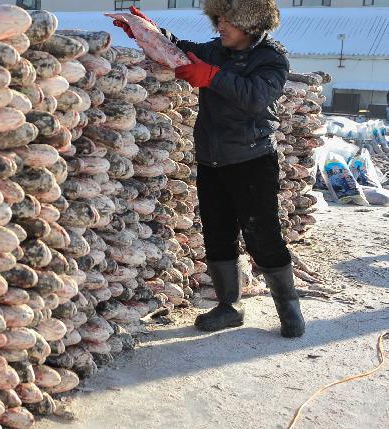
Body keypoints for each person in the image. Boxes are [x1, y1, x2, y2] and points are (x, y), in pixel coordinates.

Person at [114, 0, 305, 338]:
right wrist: (149, 32)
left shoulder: (271, 58)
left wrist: (212, 77)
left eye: (227, 22)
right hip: (212, 159)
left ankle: (289, 310)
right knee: (217, 234)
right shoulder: (217, 50)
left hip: (252, 159)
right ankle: (229, 306)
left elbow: (256, 96)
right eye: (218, 20)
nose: (220, 28)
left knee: (263, 235)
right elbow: (182, 50)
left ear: (248, 25)